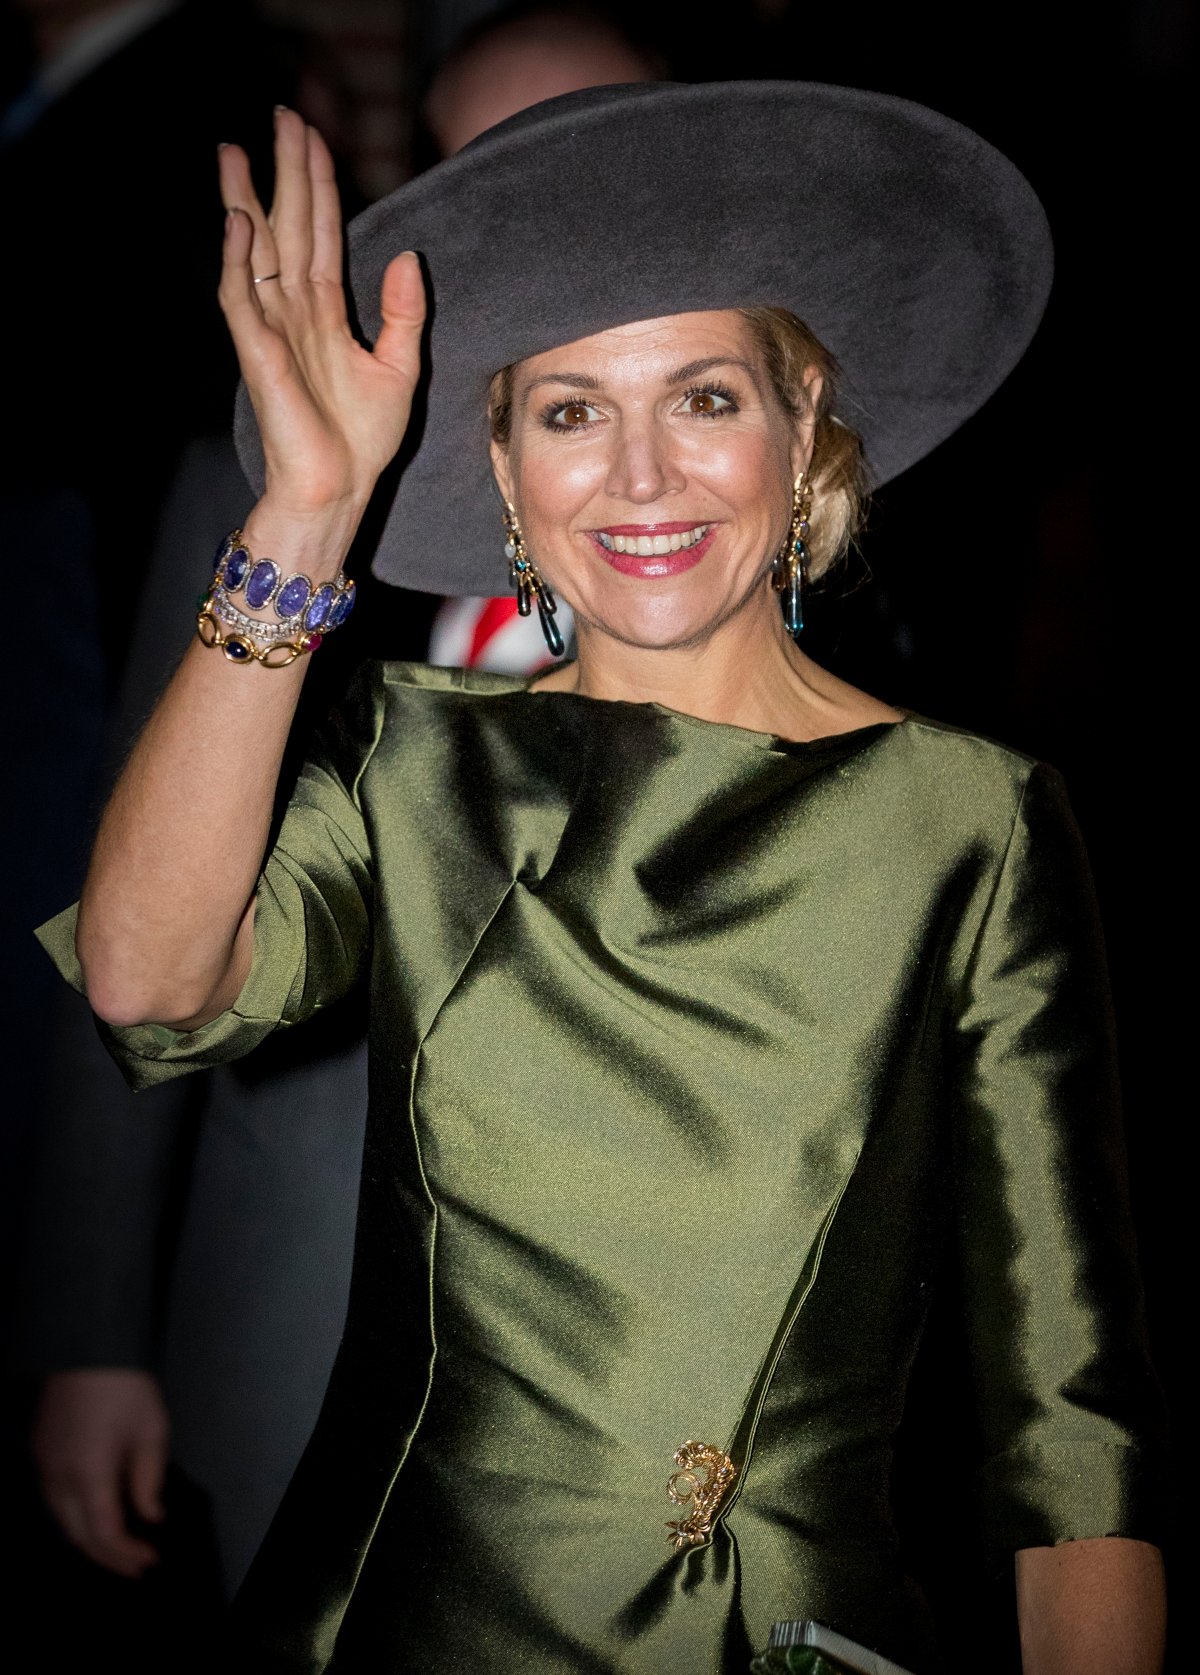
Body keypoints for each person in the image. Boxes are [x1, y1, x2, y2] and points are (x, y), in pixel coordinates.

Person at [37, 84, 1167, 1673]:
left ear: (805, 431)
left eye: (704, 398)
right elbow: (147, 983)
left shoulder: (970, 825)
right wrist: (304, 509)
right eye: (569, 411)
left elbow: (1070, 1423)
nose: (640, 477)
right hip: (404, 1628)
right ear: (504, 472)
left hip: (771, 1641)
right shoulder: (415, 764)